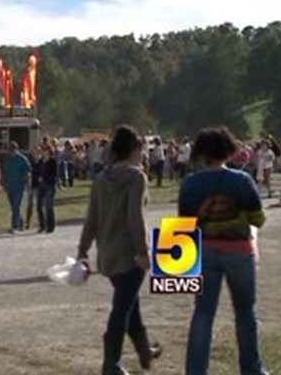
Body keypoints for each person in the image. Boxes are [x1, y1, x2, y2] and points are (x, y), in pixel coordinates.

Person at [179, 126, 269, 375]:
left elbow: (184, 225)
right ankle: (252, 369)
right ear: (228, 151)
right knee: (245, 312)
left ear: (200, 153)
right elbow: (258, 220)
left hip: (204, 252)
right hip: (240, 251)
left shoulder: (189, 184)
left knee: (203, 314)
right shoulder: (242, 180)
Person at [77, 125, 159, 375]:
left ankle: (145, 352)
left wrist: (83, 249)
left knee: (129, 302)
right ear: (134, 150)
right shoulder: (136, 177)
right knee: (122, 307)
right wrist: (143, 251)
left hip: (107, 254)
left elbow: (92, 217)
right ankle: (110, 364)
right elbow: (136, 216)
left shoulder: (101, 179)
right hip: (130, 254)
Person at [2, 141, 31, 233]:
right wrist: (3, 183)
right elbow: (4, 172)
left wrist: (28, 184)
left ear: (17, 149)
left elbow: (28, 171)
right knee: (14, 207)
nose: (12, 151)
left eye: (13, 149)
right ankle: (21, 224)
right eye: (10, 150)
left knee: (16, 206)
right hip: (9, 186)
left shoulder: (22, 159)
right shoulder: (7, 160)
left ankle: (14, 226)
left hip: (19, 186)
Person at [35, 143, 58, 233]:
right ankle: (42, 225)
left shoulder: (53, 161)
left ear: (49, 151)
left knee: (49, 206)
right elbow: (37, 172)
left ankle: (50, 226)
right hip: (41, 185)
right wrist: (37, 178)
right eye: (43, 150)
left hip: (49, 185)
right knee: (39, 205)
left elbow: (54, 174)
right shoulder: (40, 161)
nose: (44, 152)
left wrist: (44, 178)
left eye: (46, 150)